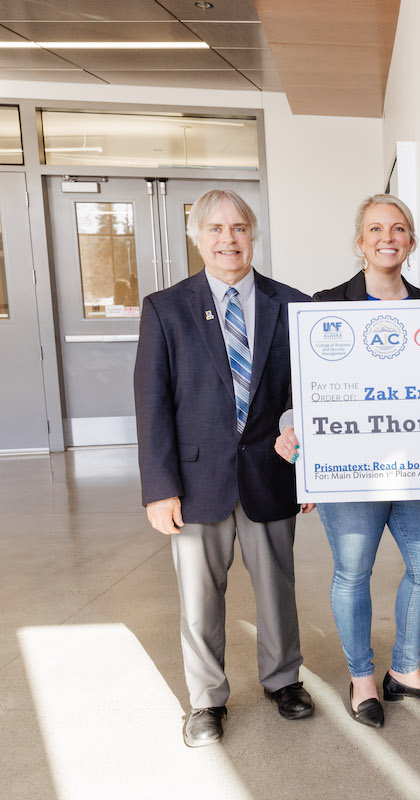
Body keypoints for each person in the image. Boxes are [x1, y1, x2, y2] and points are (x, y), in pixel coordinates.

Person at [134, 189, 314, 747]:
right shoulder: (166, 308)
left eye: (238, 228)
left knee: (277, 589)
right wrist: (159, 488)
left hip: (271, 474)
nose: (228, 239)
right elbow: (153, 403)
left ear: (252, 234)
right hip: (194, 482)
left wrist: (310, 470)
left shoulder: (292, 304)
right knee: (199, 598)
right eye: (215, 229)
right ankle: (207, 701)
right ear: (197, 237)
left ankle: (284, 681)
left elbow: (306, 396)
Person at [274, 194, 420, 729]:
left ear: (410, 242)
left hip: (419, 467)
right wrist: (295, 439)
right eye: (375, 228)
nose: (387, 237)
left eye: (398, 228)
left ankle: (404, 669)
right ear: (360, 242)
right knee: (353, 571)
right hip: (348, 469)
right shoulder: (325, 305)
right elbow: (300, 388)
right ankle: (362, 678)